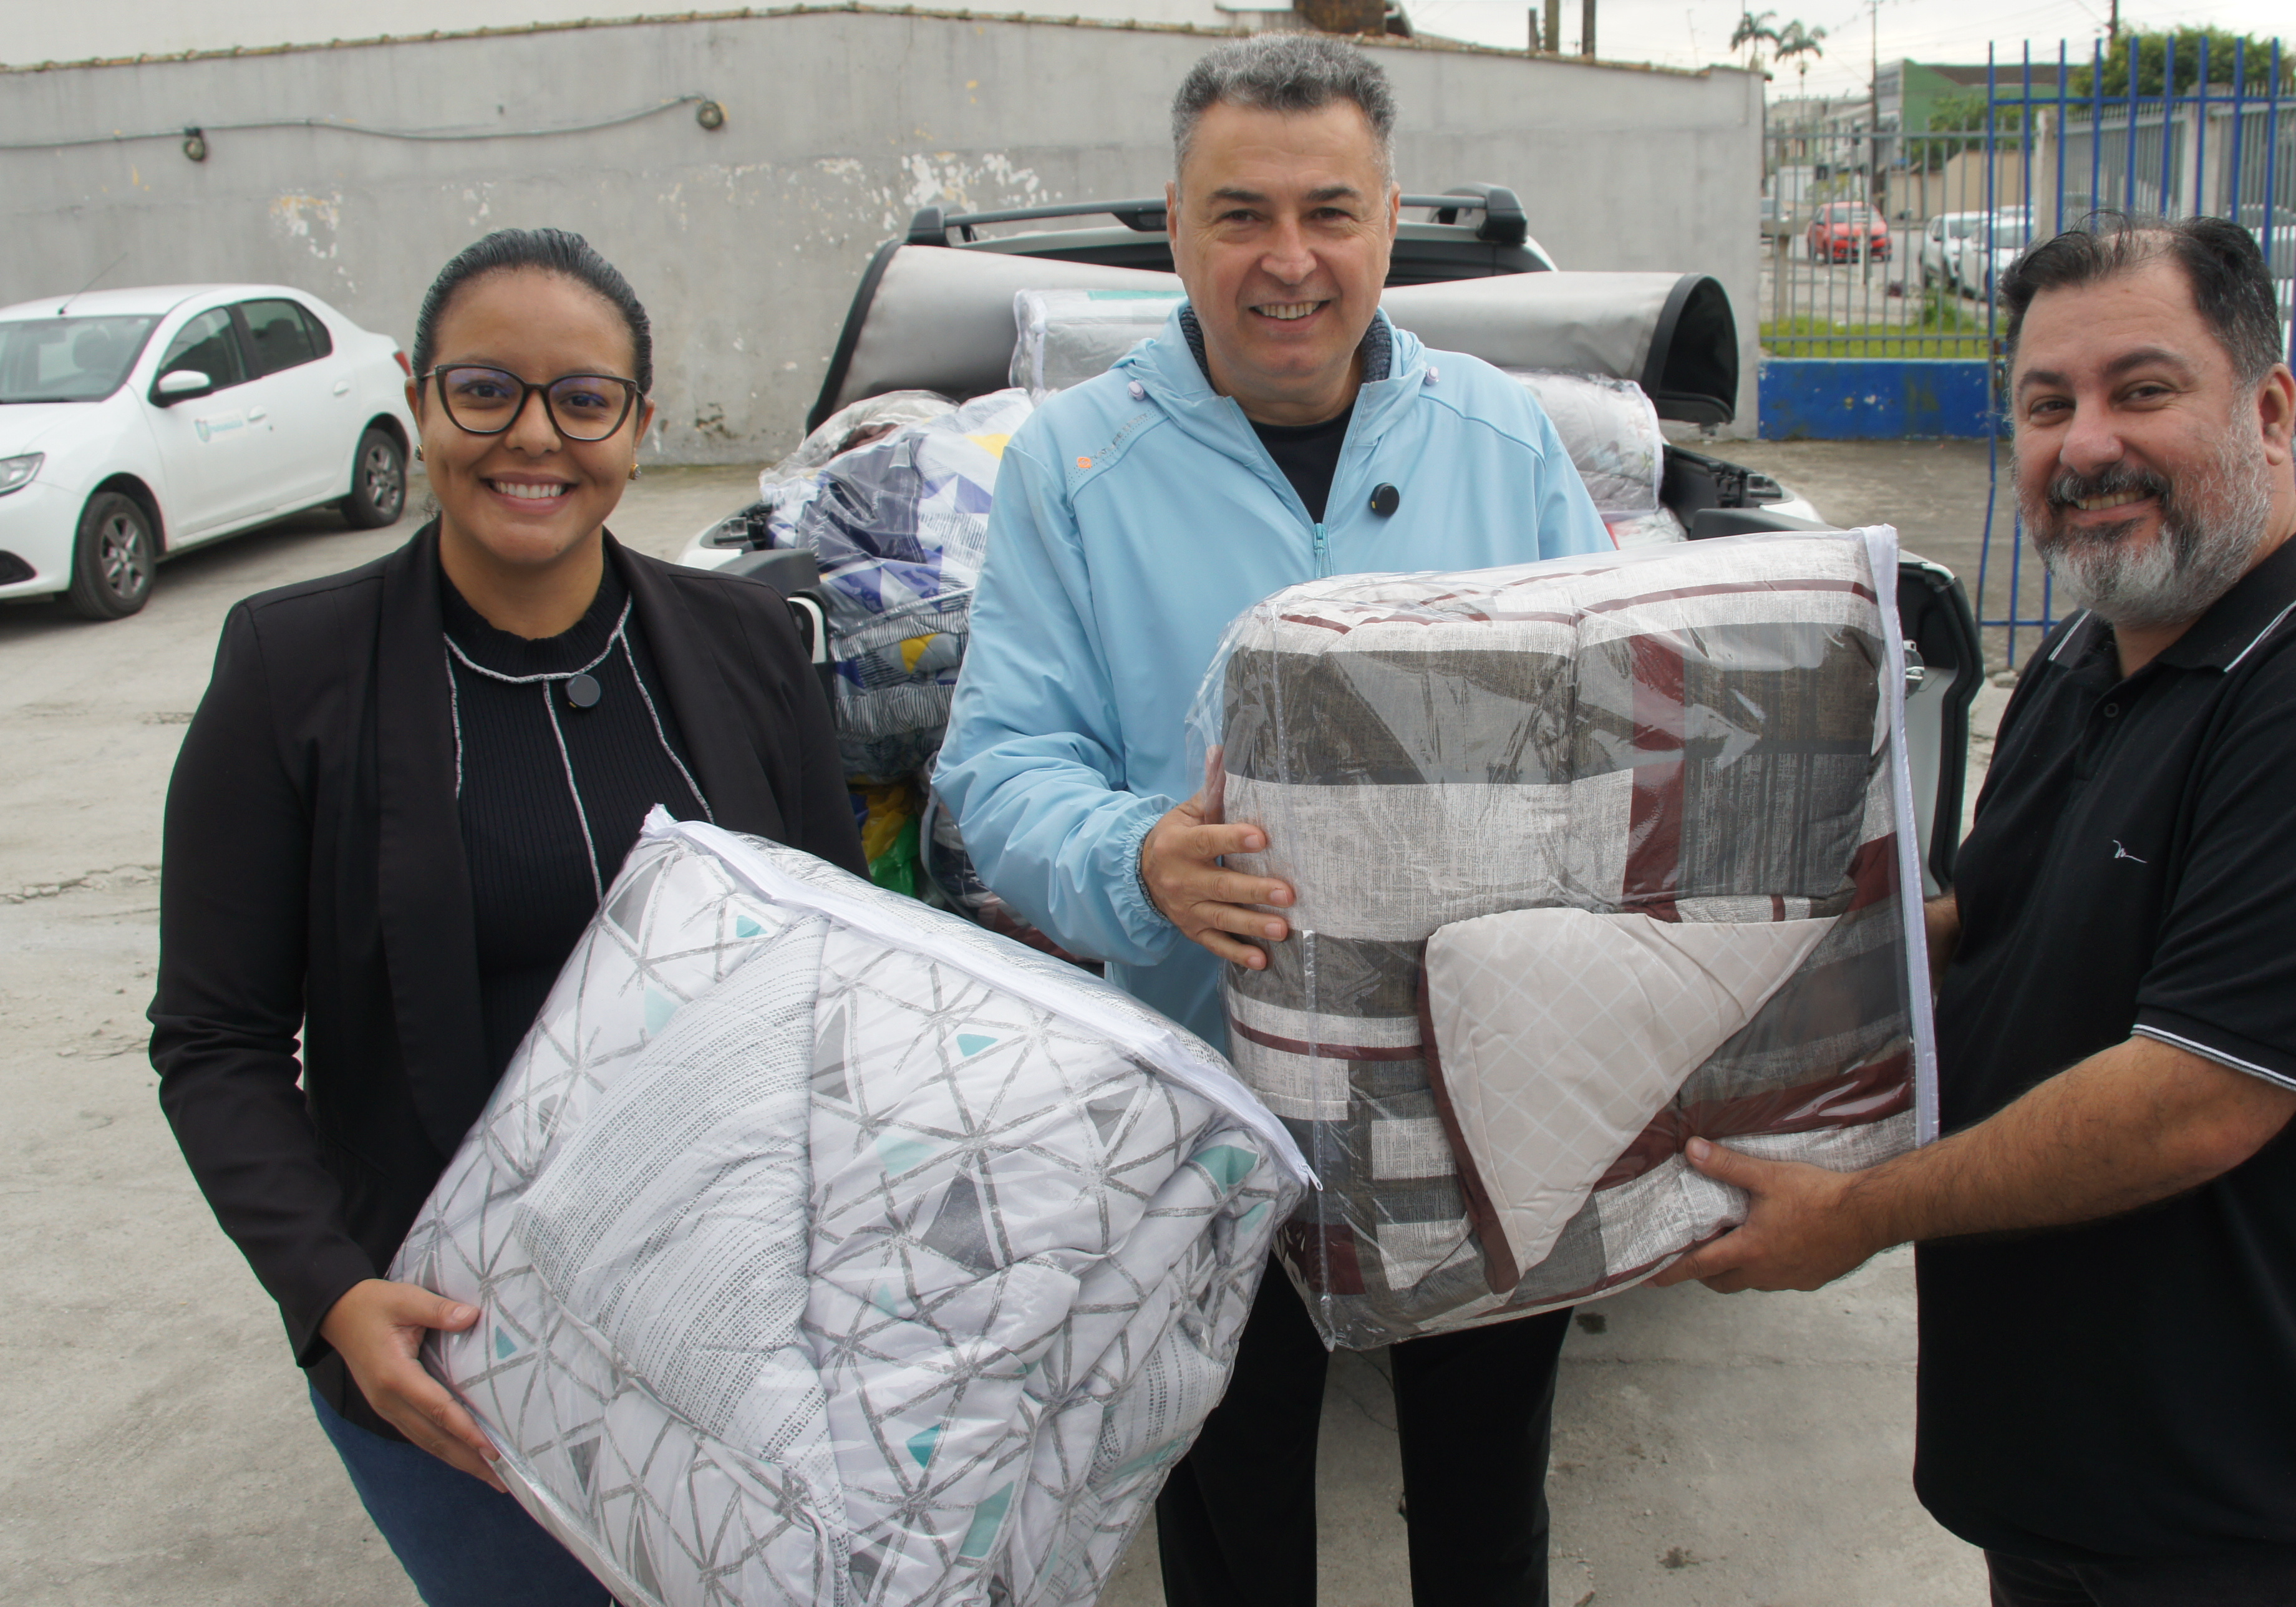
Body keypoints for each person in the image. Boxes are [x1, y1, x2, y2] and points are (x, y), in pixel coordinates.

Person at [1651, 214, 2296, 1606]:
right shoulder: (2093, 652)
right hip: (2062, 1452)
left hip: (2253, 1500)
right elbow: (1986, 923)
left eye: (2143, 389)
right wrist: (1712, 982)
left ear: (2268, 412)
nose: (2086, 446)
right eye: (2046, 404)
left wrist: (1857, 1212)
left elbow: (2195, 1098)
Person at [932, 34, 1611, 1607]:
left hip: (1477, 1091)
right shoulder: (1073, 464)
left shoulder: (1503, 440)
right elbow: (1001, 760)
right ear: (1175, 226)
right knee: (1230, 1511)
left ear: (1389, 224)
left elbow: (1616, 715)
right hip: (1205, 1096)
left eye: (1329, 212)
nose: (1287, 260)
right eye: (1241, 214)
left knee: (1484, 1502)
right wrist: (1135, 859)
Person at [148, 228, 866, 1605]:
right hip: (447, 1345)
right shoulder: (292, 669)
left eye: (583, 399)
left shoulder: (747, 648)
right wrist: (332, 1292)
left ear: (639, 427)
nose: (533, 436)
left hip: (731, 1316)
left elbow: (840, 971)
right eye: (485, 390)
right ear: (418, 398)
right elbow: (216, 1040)